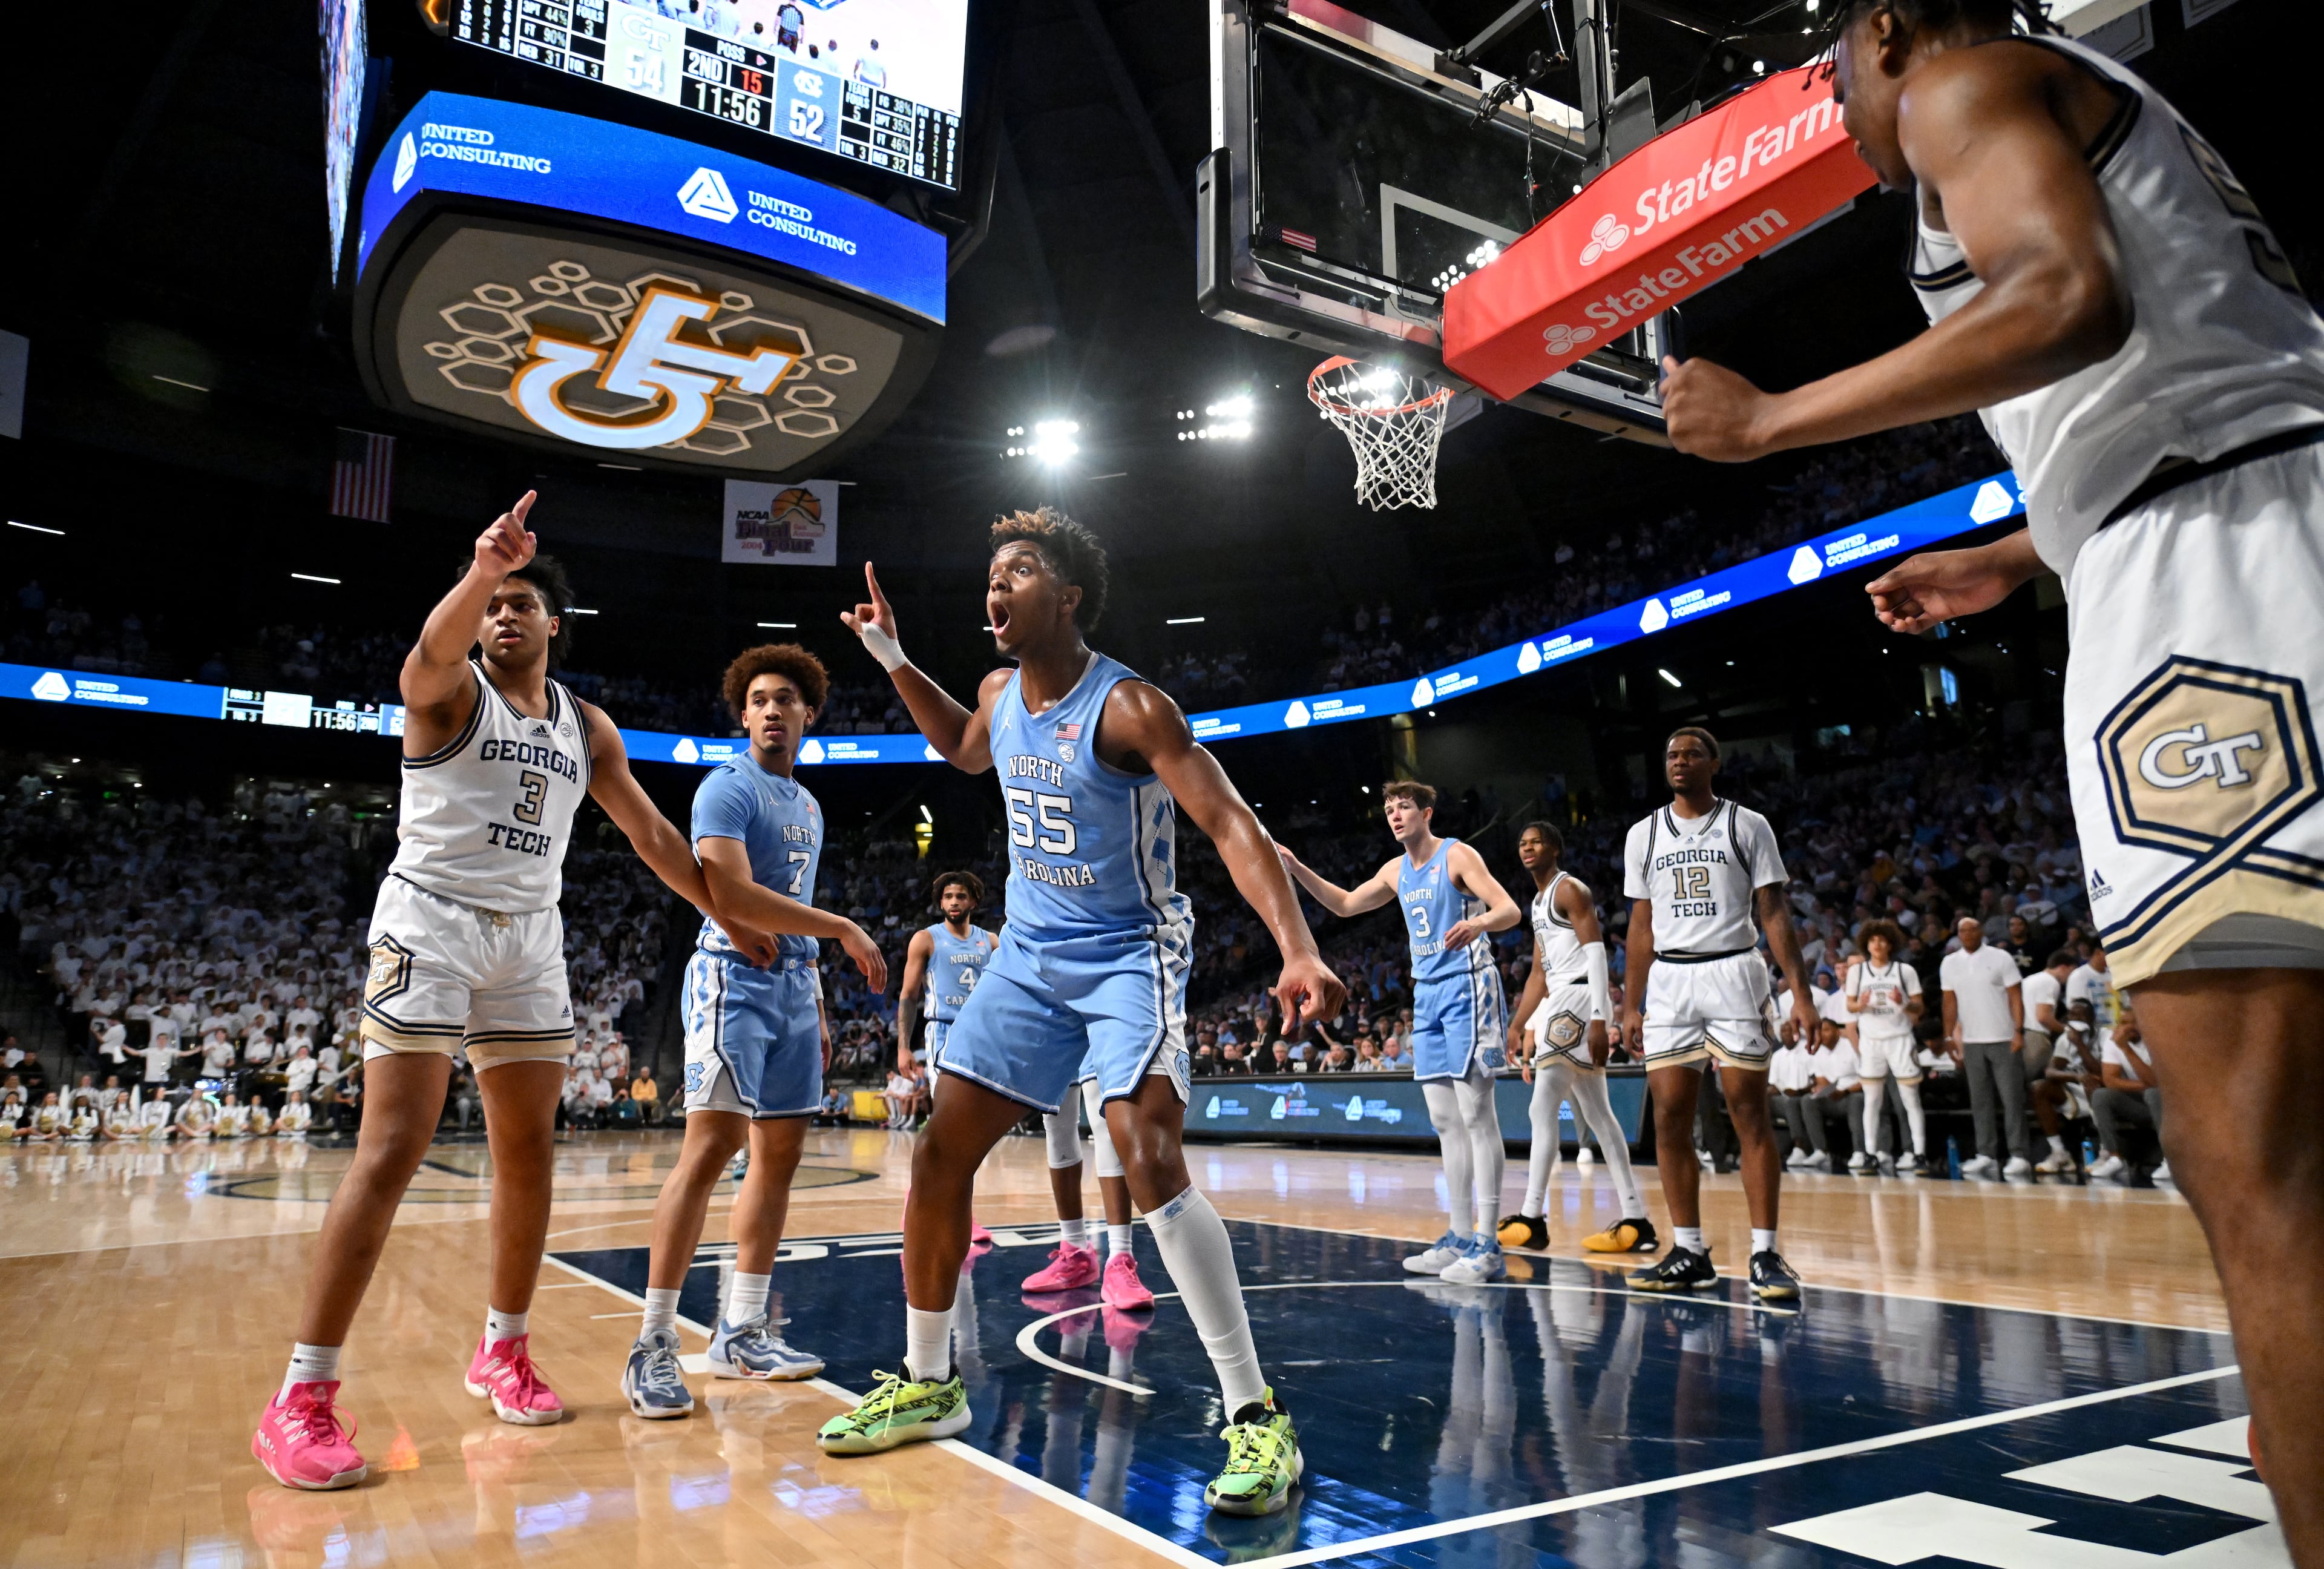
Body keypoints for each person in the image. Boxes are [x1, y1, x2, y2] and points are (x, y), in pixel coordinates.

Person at [1661, 0, 2324, 1531]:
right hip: (2244, 520)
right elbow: (2188, 355)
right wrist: (2026, 549)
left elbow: (2065, 293)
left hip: (2218, 593)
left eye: (1830, 68)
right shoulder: (2082, 95)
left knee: (2265, 1180)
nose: (1831, 103)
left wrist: (1770, 421)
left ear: (1885, 28)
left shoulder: (1959, 82)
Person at [822, 510, 1344, 1519]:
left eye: (1017, 570)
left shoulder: (1133, 707)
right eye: (990, 572)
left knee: (1146, 1154)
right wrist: (889, 653)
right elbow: (966, 751)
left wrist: (1298, 945)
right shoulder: (994, 690)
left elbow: (1232, 822)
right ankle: (929, 1382)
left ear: (1065, 597)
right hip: (1028, 955)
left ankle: (1257, 1414)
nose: (995, 585)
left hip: (1127, 954)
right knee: (937, 1156)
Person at [254, 492, 776, 1492]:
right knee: (394, 1147)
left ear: (554, 626)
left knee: (526, 1151)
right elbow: (428, 648)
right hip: (431, 920)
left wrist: (724, 910)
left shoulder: (586, 724)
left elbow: (653, 837)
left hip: (530, 937)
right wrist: (482, 566)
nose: (504, 614)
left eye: (523, 602)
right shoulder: (446, 693)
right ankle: (301, 1398)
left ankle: (505, 1346)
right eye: (496, 602)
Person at [623, 645, 887, 1419]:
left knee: (778, 1162)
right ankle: (652, 1343)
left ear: (809, 715)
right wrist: (840, 927)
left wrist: (819, 997)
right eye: (760, 700)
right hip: (730, 983)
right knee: (710, 1150)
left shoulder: (806, 804)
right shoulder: (725, 788)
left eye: (788, 700)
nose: (773, 710)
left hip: (796, 990)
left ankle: (740, 1329)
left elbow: (785, 908)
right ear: (743, 715)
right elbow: (732, 896)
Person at [1280, 781, 1521, 1284]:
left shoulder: (1457, 856)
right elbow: (1345, 905)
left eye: (1404, 807)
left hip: (1468, 987)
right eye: (1389, 809)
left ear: (1426, 813)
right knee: (1444, 1120)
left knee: (1477, 1114)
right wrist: (1298, 869)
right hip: (1428, 993)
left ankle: (1489, 1244)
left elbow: (1509, 910)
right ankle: (1458, 1236)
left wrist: (1480, 926)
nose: (1395, 815)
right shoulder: (1395, 871)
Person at [1619, 728, 1814, 1300]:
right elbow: (1640, 925)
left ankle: (1765, 1254)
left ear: (1715, 763)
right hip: (1671, 981)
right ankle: (1690, 1251)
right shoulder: (1644, 834)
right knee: (1670, 1119)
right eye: (1672, 754)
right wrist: (1630, 1002)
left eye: (1691, 754)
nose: (1679, 762)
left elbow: (1774, 912)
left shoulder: (1747, 824)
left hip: (1734, 970)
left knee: (1748, 1115)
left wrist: (1799, 992)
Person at [1494, 821, 1656, 1255]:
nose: (1527, 848)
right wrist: (1516, 1023)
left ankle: (1532, 1217)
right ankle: (1636, 1218)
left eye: (1536, 842)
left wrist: (1604, 1017)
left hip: (1581, 996)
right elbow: (1538, 973)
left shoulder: (1571, 890)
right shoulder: (1537, 902)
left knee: (1541, 1103)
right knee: (1599, 1114)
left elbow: (1597, 954)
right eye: (1522, 843)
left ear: (1555, 848)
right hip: (1563, 994)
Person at [896, 870, 1002, 1242]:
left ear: (974, 901)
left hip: (980, 1036)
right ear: (940, 903)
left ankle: (939, 1201)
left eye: (960, 896)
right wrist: (903, 1046)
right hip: (942, 1032)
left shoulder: (991, 942)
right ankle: (937, 1203)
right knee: (951, 1124)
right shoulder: (926, 939)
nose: (954, 902)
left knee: (969, 1129)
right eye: (947, 897)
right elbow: (909, 995)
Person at [1020, 1061, 1157, 1312]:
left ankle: (1120, 1257)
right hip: (1055, 1021)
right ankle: (1075, 1252)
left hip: (1098, 1022)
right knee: (1056, 1119)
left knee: (1104, 1115)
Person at [1940, 918, 2030, 1178]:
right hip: (1972, 1041)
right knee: (1980, 1101)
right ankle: (1986, 1154)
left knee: (2012, 1098)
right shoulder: (1950, 963)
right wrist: (1948, 1036)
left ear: (1981, 932)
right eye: (1962, 931)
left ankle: (2019, 1154)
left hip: (2004, 1038)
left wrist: (2019, 1030)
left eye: (1972, 929)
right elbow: (1949, 1002)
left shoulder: (2001, 957)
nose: (1967, 934)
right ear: (1958, 935)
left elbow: (2016, 996)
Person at [1845, 921, 1929, 1174]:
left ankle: (1919, 1154)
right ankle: (1870, 1154)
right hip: (1871, 1041)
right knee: (1872, 1100)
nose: (1877, 945)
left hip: (1900, 1039)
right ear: (1867, 944)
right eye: (1872, 941)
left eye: (1882, 940)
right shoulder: (1857, 972)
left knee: (1910, 1099)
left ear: (1890, 944)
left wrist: (1902, 1002)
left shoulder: (1904, 971)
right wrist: (1861, 1005)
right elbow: (1850, 1006)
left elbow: (1919, 1008)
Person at [2021, 949, 2078, 1171]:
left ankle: (2056, 1149)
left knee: (2031, 1091)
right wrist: (2069, 1030)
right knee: (2039, 1089)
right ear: (2063, 967)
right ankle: (2057, 1144)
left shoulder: (2030, 979)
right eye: (2070, 973)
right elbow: (2044, 1017)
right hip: (2036, 1039)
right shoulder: (2050, 983)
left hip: (2022, 1035)